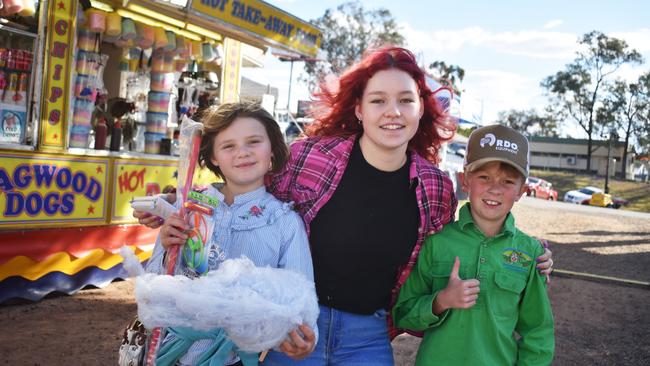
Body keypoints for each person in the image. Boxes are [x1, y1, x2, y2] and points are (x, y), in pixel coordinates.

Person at [136, 46, 554, 365]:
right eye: (378, 100)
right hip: (297, 325)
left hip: (369, 333)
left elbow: (460, 237)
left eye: (405, 100)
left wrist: (525, 254)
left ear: (420, 108)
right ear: (359, 108)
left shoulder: (435, 186)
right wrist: (177, 207)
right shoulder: (311, 157)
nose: (393, 112)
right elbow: (245, 191)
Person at [145, 102, 315, 366]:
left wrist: (302, 337)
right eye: (228, 146)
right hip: (171, 354)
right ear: (213, 156)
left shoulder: (285, 223)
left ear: (272, 148)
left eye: (254, 142)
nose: (242, 153)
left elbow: (299, 299)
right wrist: (168, 247)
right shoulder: (187, 208)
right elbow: (151, 288)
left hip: (235, 359)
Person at [392, 125, 555, 365]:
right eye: (484, 177)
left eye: (508, 181)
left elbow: (538, 332)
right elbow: (404, 314)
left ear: (522, 190)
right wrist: (441, 301)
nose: (495, 188)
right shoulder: (437, 243)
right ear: (465, 180)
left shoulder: (529, 253)